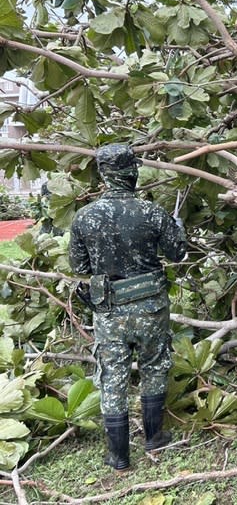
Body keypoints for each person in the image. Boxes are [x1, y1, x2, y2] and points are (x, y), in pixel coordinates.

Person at [69, 144, 186, 470]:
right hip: (150, 308)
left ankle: (118, 456)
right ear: (133, 172)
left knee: (113, 378)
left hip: (109, 312)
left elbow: (79, 266)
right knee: (154, 366)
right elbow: (177, 254)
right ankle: (154, 437)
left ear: (104, 175)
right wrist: (179, 228)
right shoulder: (152, 212)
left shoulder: (85, 216)